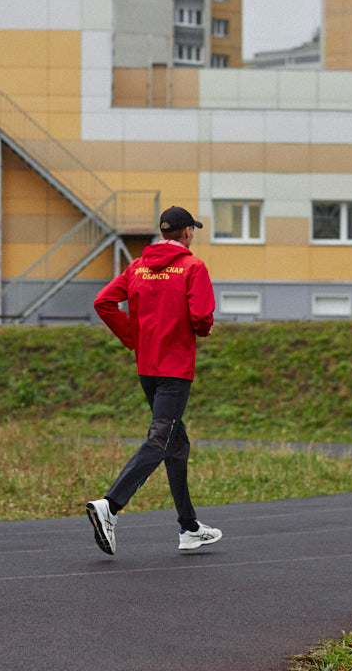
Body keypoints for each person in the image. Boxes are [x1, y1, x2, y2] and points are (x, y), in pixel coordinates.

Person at [87, 205, 223, 555]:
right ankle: (111, 505)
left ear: (165, 233)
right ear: (187, 233)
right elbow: (201, 316)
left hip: (147, 367)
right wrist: (201, 330)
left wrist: (135, 338)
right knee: (161, 439)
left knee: (176, 443)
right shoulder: (193, 266)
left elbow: (104, 302)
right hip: (175, 369)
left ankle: (189, 526)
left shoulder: (137, 266)